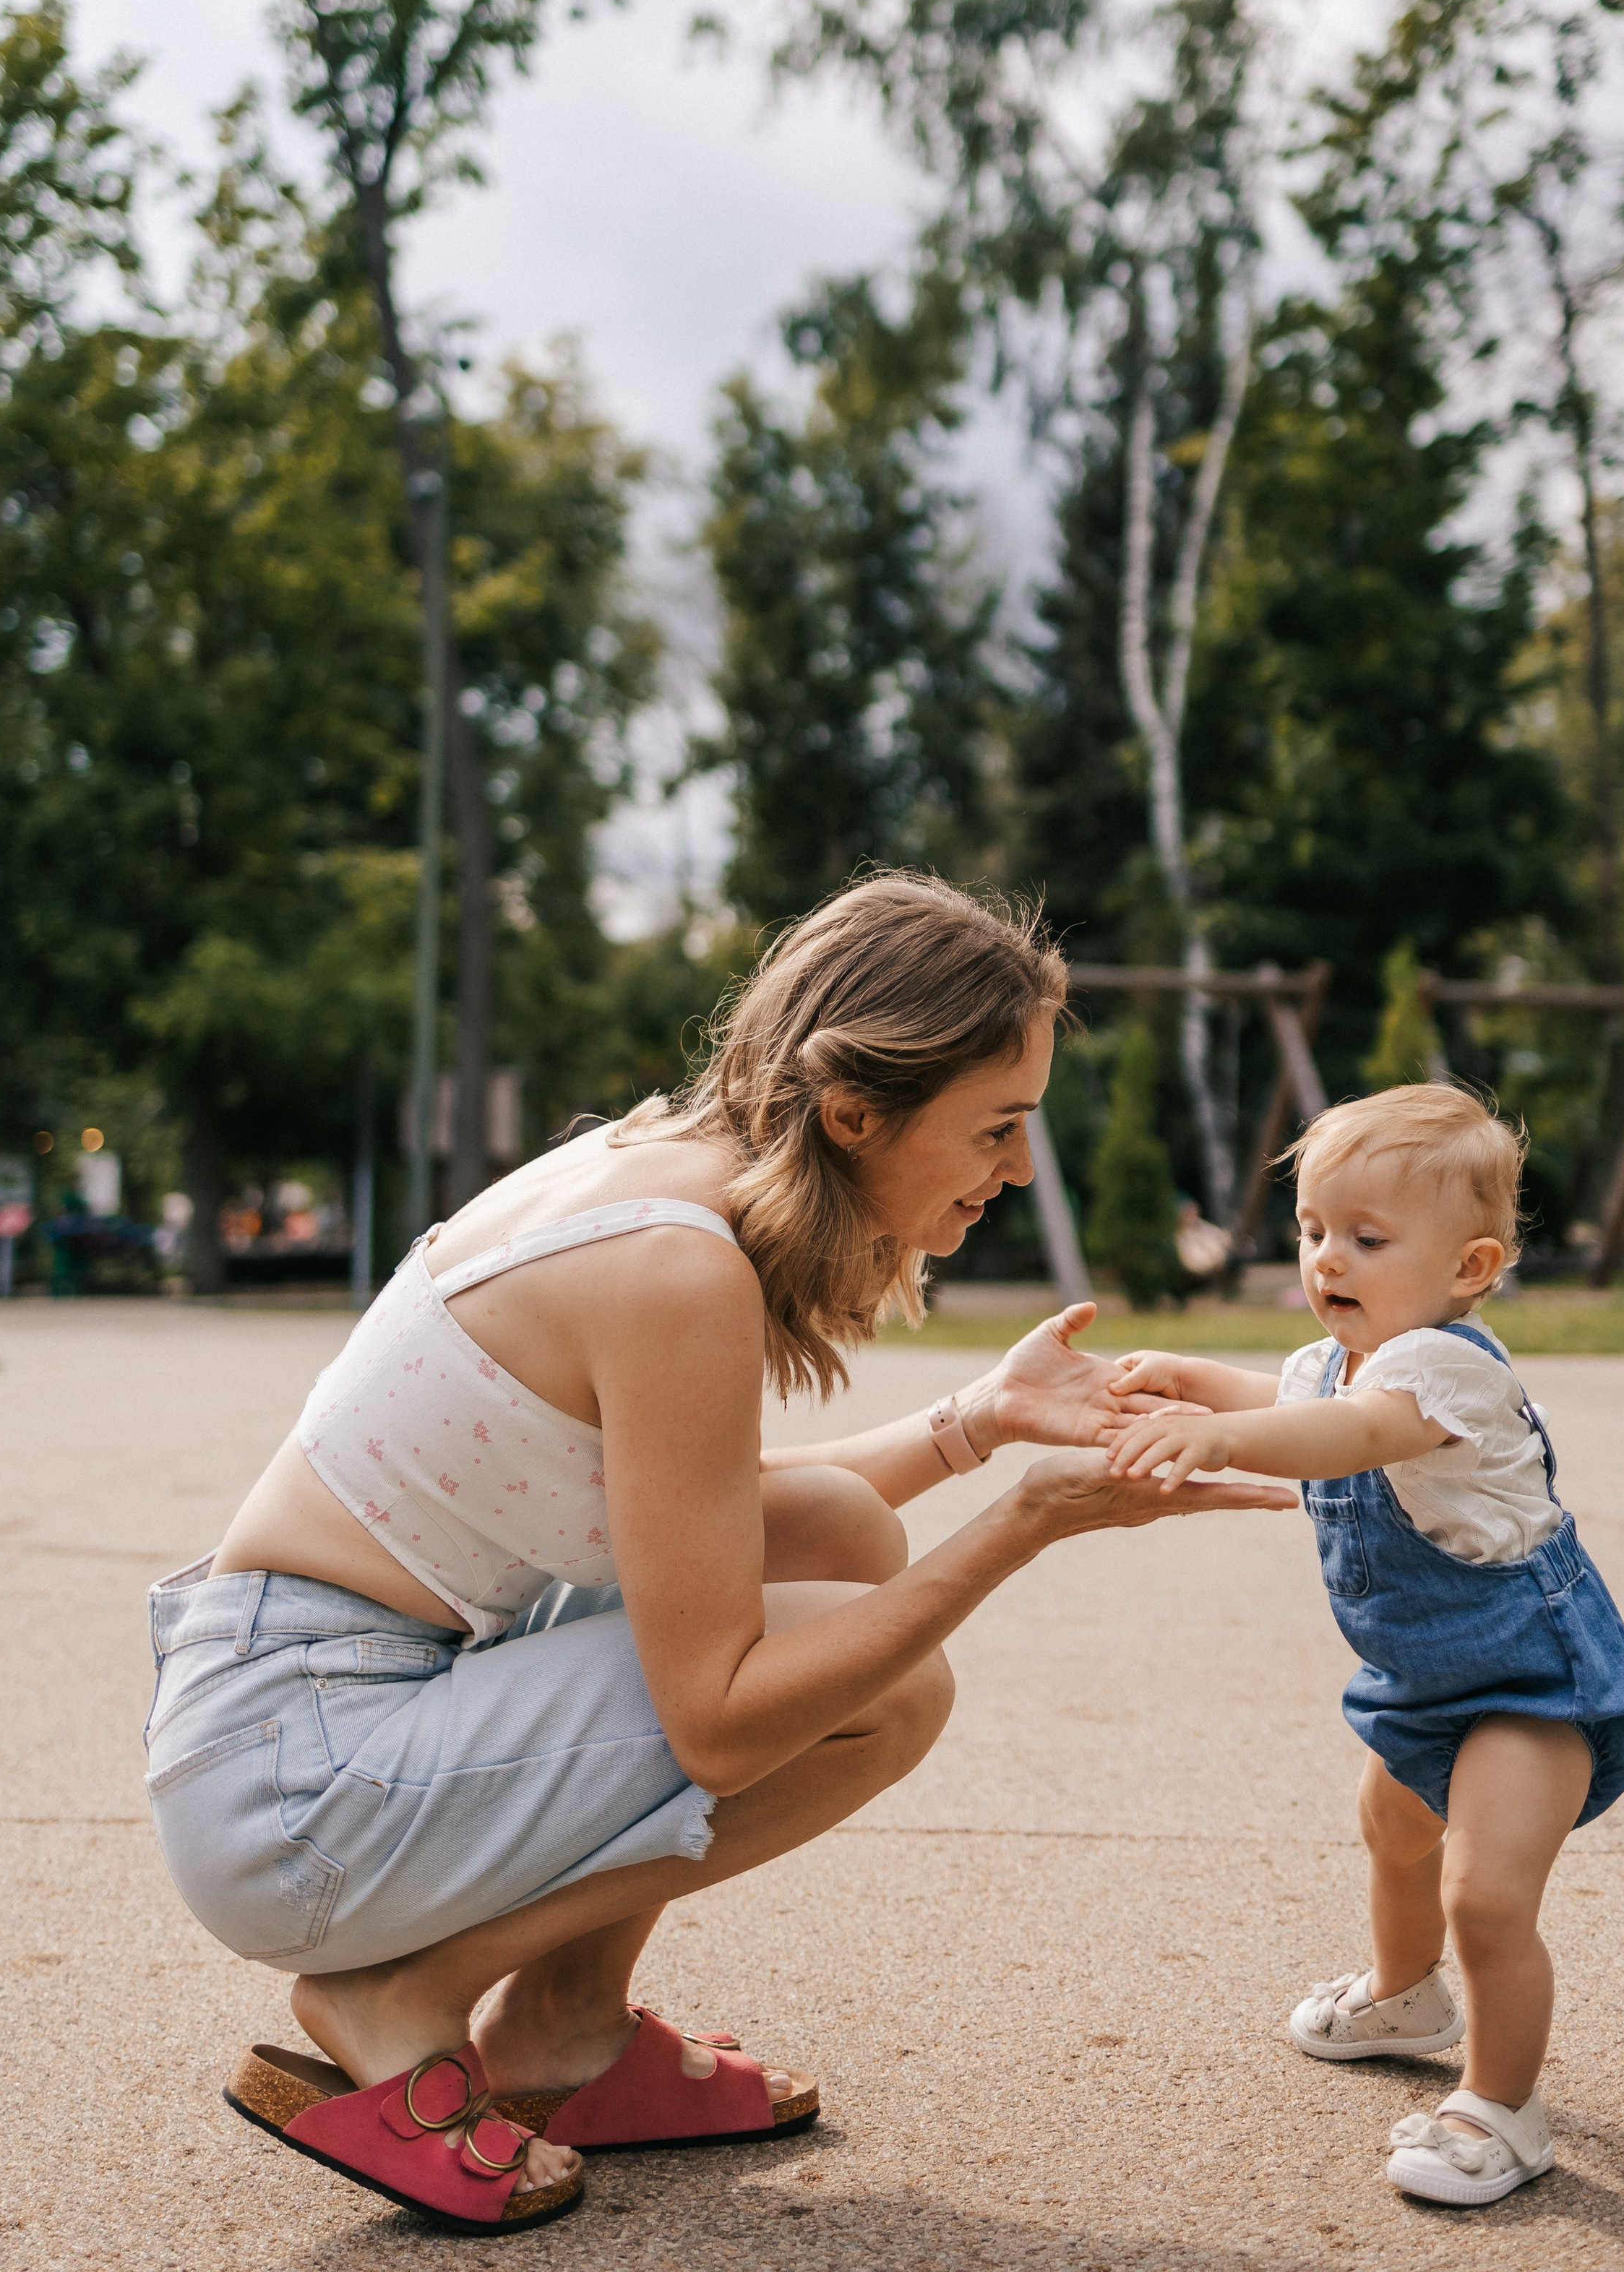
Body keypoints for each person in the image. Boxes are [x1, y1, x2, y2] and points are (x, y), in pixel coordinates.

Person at [143, 875, 1296, 2237]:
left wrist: (978, 1424)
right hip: (301, 1798)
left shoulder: (653, 1168)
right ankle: (401, 1996)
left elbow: (705, 1512)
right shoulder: (676, 1267)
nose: (1020, 1169)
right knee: (889, 1690)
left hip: (295, 1723)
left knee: (841, 1537)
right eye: (997, 1127)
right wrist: (1023, 1524)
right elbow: (723, 1725)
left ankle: (567, 2032)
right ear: (858, 1112)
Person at [1100, 1083, 1624, 2211]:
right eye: (1312, 1231)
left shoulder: (1447, 1368)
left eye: (1366, 1238)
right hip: (1421, 1677)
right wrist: (1182, 1378)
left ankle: (1500, 2108)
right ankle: (1406, 1996)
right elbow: (1290, 1395)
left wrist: (1222, 1434)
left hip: (1531, 1680)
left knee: (1487, 1899)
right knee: (1392, 1832)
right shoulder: (1337, 1361)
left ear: (1468, 1268)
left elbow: (1354, 1436)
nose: (1327, 1260)